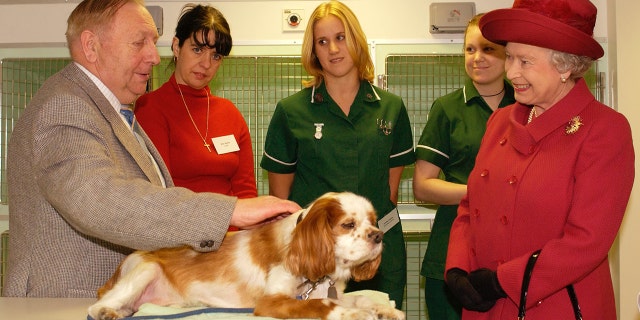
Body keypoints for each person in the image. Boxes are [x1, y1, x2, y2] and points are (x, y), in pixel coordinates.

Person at [4, 0, 300, 298]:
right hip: (65, 302)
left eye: (153, 42)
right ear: (91, 46)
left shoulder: (112, 111)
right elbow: (100, 200)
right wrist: (230, 211)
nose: (154, 57)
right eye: (138, 43)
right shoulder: (66, 106)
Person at [444, 0, 634, 319]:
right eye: (509, 57)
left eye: (525, 61)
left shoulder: (605, 130)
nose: (510, 72)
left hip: (555, 306)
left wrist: (502, 281)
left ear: (565, 66)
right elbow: (470, 205)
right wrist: (458, 268)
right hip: (485, 305)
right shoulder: (500, 122)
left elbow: (586, 242)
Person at [260, 0, 415, 308]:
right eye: (322, 41)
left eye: (340, 37)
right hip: (315, 259)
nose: (333, 49)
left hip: (378, 252)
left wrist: (363, 242)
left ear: (355, 39)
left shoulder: (391, 108)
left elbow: (389, 193)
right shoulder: (291, 112)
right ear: (313, 52)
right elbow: (284, 204)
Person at [413, 13, 514, 320]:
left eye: (488, 49)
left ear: (507, 55)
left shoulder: (527, 107)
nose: (477, 58)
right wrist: (480, 192)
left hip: (509, 251)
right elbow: (423, 185)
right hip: (451, 248)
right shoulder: (448, 109)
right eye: (470, 50)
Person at [135, 5, 256, 232]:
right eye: (198, 49)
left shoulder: (230, 113)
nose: (206, 64)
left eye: (216, 55)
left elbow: (246, 192)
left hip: (231, 246)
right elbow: (159, 194)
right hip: (179, 244)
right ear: (176, 46)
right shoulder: (150, 108)